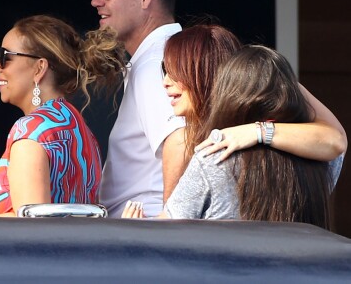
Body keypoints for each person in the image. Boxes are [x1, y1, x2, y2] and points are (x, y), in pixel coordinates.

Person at [123, 25, 346, 225]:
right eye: (164, 70)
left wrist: (136, 229)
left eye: (176, 71)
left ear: (212, 76)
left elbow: (170, 230)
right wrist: (275, 79)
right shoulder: (318, 165)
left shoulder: (213, 156)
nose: (165, 81)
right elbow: (335, 142)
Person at [162, 45, 334, 228]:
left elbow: (167, 231)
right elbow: (335, 137)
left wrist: (130, 224)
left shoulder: (213, 158)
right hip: (299, 257)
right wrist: (278, 76)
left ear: (229, 94)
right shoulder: (320, 161)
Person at [0, 15, 126, 216]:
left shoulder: (31, 131)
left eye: (5, 57)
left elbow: (28, 231)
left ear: (39, 68)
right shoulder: (80, 130)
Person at [92, 0, 185, 217]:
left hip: (147, 228)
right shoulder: (170, 52)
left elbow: (179, 140)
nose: (96, 1)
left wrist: (169, 226)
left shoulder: (156, 59)